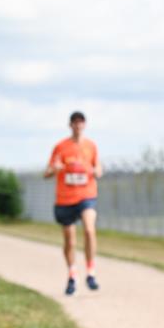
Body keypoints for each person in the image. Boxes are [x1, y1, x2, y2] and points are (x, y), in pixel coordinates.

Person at [45, 111, 102, 296]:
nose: (78, 126)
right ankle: (72, 275)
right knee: (70, 239)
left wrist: (96, 171)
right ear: (70, 125)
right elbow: (47, 172)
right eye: (75, 122)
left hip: (86, 195)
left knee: (89, 229)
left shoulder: (91, 146)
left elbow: (99, 168)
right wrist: (55, 169)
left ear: (84, 125)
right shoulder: (61, 147)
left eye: (81, 122)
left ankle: (91, 272)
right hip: (65, 198)